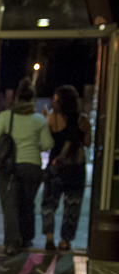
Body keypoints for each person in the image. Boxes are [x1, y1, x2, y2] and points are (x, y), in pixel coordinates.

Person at [0, 78, 54, 255]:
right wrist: (32, 144)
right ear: (32, 101)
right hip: (32, 167)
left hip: (10, 168)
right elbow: (47, 144)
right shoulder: (39, 120)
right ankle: (26, 238)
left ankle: (12, 243)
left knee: (11, 205)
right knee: (27, 204)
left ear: (16, 99)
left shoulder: (6, 117)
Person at [41, 85, 91, 251]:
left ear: (61, 102)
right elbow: (88, 143)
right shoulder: (83, 119)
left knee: (49, 204)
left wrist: (44, 119)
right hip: (76, 168)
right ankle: (65, 240)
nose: (53, 103)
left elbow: (47, 143)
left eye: (55, 100)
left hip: (56, 168)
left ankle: (49, 238)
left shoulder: (52, 118)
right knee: (73, 206)